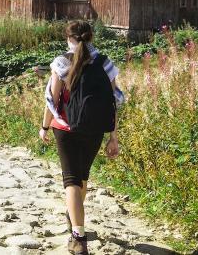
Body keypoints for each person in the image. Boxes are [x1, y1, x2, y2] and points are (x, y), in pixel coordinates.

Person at [39, 21, 124, 255]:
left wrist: (45, 127)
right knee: (82, 176)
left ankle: (78, 237)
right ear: (91, 37)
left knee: (71, 180)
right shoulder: (105, 63)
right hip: (95, 129)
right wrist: (113, 136)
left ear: (69, 38)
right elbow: (114, 101)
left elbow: (52, 100)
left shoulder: (61, 62)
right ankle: (75, 215)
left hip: (65, 129)